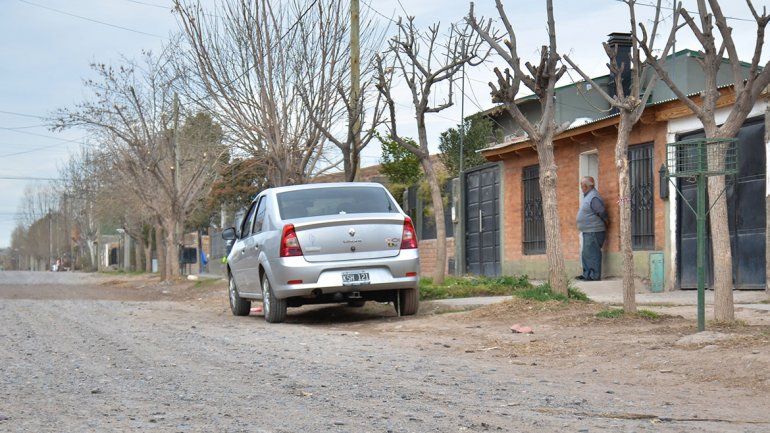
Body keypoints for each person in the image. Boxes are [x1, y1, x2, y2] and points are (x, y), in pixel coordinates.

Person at [576, 176, 608, 281]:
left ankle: (594, 276)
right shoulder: (589, 196)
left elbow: (601, 211)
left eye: (582, 185)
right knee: (586, 253)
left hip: (594, 230)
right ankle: (587, 274)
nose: (581, 187)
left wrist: (605, 221)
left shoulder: (593, 197)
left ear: (586, 186)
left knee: (593, 253)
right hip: (588, 231)